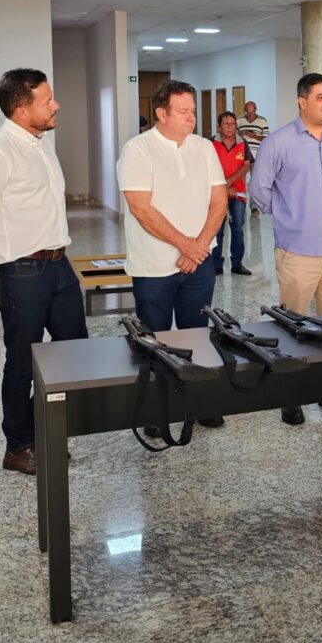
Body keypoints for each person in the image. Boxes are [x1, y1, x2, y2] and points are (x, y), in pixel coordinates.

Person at [0, 69, 88, 475]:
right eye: (47, 100)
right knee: (23, 364)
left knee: (74, 353)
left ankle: (42, 430)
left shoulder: (41, 145)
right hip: (21, 270)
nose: (56, 105)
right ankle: (18, 446)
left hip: (59, 265)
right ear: (22, 109)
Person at [117, 80, 227, 431]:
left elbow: (219, 201)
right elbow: (141, 208)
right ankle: (157, 410)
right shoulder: (138, 149)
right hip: (154, 267)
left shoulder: (204, 148)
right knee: (155, 339)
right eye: (183, 111)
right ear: (161, 114)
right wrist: (187, 245)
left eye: (193, 111)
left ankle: (198, 403)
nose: (191, 117)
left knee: (198, 334)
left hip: (199, 264)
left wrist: (199, 246)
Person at [250, 73, 322, 426]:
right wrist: (288, 215)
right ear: (302, 101)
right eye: (321, 97)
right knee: (292, 325)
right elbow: (259, 189)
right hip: (298, 249)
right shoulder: (278, 142)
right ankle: (289, 395)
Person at [212, 110, 252, 277]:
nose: (230, 127)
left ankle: (237, 264)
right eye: (226, 123)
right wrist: (224, 186)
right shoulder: (211, 143)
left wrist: (231, 180)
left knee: (237, 229)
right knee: (217, 229)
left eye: (232, 124)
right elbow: (207, 168)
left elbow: (247, 165)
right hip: (216, 193)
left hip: (238, 193)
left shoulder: (243, 143)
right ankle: (216, 265)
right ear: (219, 126)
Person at [236, 100, 269, 216]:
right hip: (241, 155)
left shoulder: (262, 121)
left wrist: (254, 135)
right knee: (239, 180)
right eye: (248, 112)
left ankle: (254, 206)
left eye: (252, 112)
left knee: (255, 182)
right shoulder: (239, 120)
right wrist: (242, 133)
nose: (250, 114)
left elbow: (267, 138)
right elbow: (234, 136)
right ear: (245, 110)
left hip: (257, 156)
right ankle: (239, 205)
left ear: (255, 110)